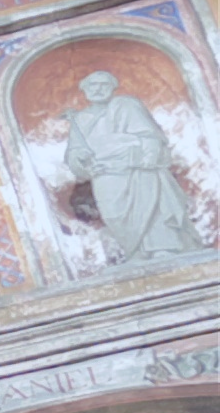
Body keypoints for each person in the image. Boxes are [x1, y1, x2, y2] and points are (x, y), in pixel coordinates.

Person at [57, 70, 202, 267]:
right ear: (85, 90)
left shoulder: (127, 105)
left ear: (112, 88)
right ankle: (135, 253)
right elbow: (74, 154)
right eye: (93, 85)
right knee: (114, 214)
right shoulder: (80, 119)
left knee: (151, 208)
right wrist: (79, 159)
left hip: (137, 169)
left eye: (103, 85)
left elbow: (150, 135)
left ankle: (162, 248)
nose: (98, 89)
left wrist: (148, 156)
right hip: (105, 176)